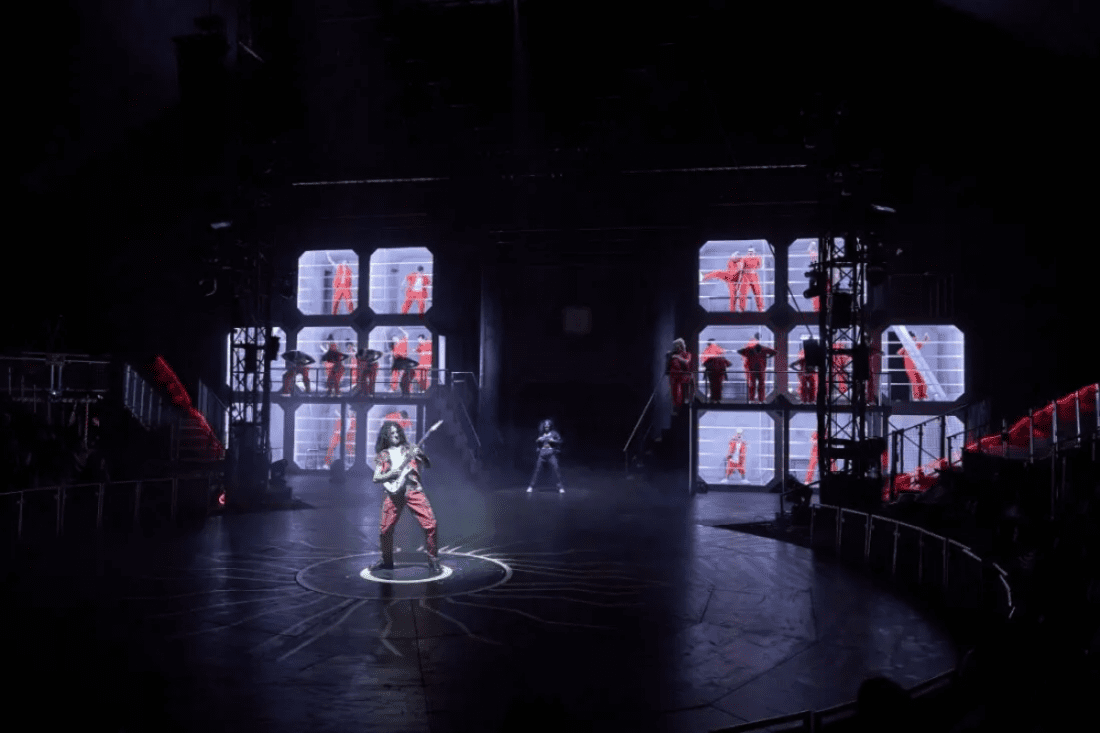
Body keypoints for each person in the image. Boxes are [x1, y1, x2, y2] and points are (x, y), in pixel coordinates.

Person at [370, 420, 441, 575]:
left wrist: (421, 455)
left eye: (397, 432)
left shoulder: (410, 449)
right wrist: (390, 474)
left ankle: (433, 559)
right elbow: (376, 478)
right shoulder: (383, 455)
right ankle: (386, 561)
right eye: (391, 433)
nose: (395, 435)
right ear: (386, 437)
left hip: (412, 490)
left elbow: (428, 465)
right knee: (385, 530)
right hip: (393, 493)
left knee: (431, 524)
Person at [527, 419, 564, 493]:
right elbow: (537, 442)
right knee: (537, 470)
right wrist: (539, 440)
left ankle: (560, 487)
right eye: (545, 425)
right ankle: (531, 486)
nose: (546, 426)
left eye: (548, 425)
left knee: (556, 469)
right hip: (542, 454)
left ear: (550, 425)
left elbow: (560, 441)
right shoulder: (541, 433)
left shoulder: (554, 433)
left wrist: (553, 441)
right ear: (544, 426)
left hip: (551, 454)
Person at [737, 335, 777, 403]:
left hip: (753, 370)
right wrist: (768, 357)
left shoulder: (750, 349)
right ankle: (760, 400)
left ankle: (752, 400)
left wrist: (746, 355)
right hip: (760, 369)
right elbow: (774, 352)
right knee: (760, 385)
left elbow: (739, 351)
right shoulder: (763, 349)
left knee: (753, 385)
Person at [898, 332, 931, 401]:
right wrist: (906, 345)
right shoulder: (906, 347)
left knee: (922, 380)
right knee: (915, 382)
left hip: (917, 367)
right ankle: (916, 397)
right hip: (910, 368)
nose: (914, 339)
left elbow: (923, 342)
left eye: (914, 338)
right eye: (913, 338)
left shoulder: (915, 345)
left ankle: (923, 395)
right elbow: (899, 353)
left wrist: (925, 338)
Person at [667, 338, 694, 415]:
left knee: (681, 392)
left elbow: (686, 362)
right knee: (675, 393)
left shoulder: (686, 354)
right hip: (675, 376)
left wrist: (677, 357)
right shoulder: (674, 355)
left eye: (677, 346)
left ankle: (683, 405)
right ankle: (676, 408)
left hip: (683, 376)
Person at [737, 246, 765, 312]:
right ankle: (741, 309)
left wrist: (762, 260)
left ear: (754, 252)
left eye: (752, 252)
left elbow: (761, 266)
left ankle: (760, 308)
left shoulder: (757, 258)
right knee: (743, 293)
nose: (750, 253)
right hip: (745, 276)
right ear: (747, 252)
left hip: (754, 275)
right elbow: (740, 267)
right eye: (749, 252)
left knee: (758, 292)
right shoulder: (744, 258)